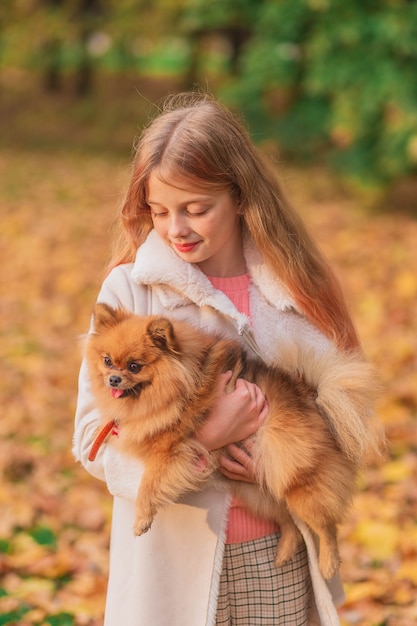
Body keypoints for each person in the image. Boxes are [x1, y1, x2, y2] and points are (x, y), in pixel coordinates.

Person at [73, 92, 381, 626]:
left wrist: (281, 462)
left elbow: (349, 418)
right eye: (160, 211)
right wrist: (205, 437)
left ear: (240, 197)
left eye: (197, 209)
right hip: (174, 563)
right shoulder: (132, 292)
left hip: (278, 552)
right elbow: (89, 444)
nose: (177, 230)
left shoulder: (295, 288)